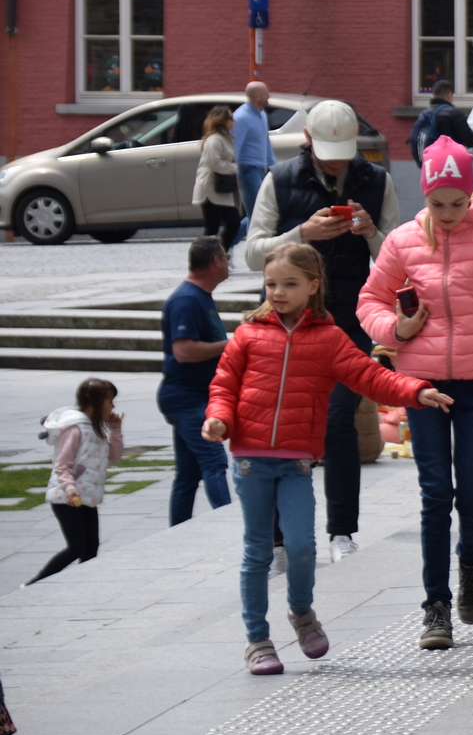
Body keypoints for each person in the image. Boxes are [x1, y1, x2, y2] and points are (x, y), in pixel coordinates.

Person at [205, 243, 450, 675]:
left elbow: (369, 376)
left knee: (301, 546)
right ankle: (258, 640)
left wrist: (415, 390)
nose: (278, 292)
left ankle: (301, 612)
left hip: (296, 462)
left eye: (289, 284)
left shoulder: (329, 339)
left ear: (313, 286)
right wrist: (219, 418)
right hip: (248, 459)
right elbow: (224, 385)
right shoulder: (247, 334)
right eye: (271, 284)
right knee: (258, 552)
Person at [358, 136, 473, 651]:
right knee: (435, 494)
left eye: (458, 202)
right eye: (438, 204)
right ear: (426, 195)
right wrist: (397, 330)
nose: (449, 214)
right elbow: (369, 301)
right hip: (423, 386)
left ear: (471, 193)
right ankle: (435, 605)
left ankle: (472, 565)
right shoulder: (403, 241)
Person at [245, 99, 401, 564]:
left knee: (337, 421)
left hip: (350, 319)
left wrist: (370, 232)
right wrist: (303, 233)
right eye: (327, 152)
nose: (336, 162)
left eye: (344, 153)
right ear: (307, 140)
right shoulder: (279, 179)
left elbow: (398, 257)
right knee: (285, 427)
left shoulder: (377, 180)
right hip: (289, 323)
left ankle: (341, 532)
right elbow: (252, 253)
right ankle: (277, 541)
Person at [160, 237, 232, 526]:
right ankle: (231, 524)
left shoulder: (199, 296)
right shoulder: (187, 300)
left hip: (193, 395)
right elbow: (183, 351)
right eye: (226, 257)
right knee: (214, 460)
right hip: (186, 397)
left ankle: (176, 532)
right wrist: (230, 344)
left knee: (188, 474)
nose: (229, 263)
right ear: (216, 261)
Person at [25, 378, 123, 585]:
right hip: (66, 497)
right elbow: (62, 465)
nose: (113, 406)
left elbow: (114, 457)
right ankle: (34, 584)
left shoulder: (95, 429)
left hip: (86, 497)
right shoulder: (75, 429)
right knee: (76, 547)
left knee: (91, 547)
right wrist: (69, 489)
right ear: (95, 402)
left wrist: (115, 430)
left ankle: (82, 587)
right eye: (110, 400)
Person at [233, 81, 275, 246]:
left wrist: (272, 167)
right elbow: (234, 148)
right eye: (266, 93)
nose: (268, 95)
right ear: (257, 96)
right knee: (257, 214)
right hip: (247, 170)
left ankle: (225, 244)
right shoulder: (241, 117)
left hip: (261, 169)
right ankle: (225, 245)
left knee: (259, 213)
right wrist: (235, 173)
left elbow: (266, 142)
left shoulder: (261, 114)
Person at [408, 80, 473, 162]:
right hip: (449, 164)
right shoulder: (454, 113)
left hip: (429, 163)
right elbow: (470, 141)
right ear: (449, 95)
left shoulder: (425, 113)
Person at [194, 105, 241, 246]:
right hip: (211, 188)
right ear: (222, 120)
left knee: (233, 223)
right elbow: (213, 163)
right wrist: (235, 168)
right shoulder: (214, 139)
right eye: (230, 118)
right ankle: (204, 256)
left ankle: (219, 253)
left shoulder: (225, 137)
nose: (234, 121)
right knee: (213, 228)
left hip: (221, 188)